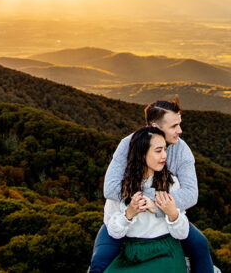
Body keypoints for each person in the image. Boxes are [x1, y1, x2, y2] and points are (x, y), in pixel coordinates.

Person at [90, 98, 215, 273]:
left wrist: (156, 204)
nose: (180, 130)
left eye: (179, 124)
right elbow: (110, 188)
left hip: (162, 224)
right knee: (99, 263)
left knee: (200, 245)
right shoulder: (129, 145)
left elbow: (190, 194)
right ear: (155, 127)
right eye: (173, 126)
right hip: (122, 217)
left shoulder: (182, 150)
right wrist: (137, 204)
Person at [102, 126, 188, 272]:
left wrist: (172, 213)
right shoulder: (121, 186)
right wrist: (129, 214)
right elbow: (113, 232)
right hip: (132, 253)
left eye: (165, 149)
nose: (164, 156)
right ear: (142, 154)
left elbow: (183, 233)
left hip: (166, 251)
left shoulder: (171, 182)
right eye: (158, 150)